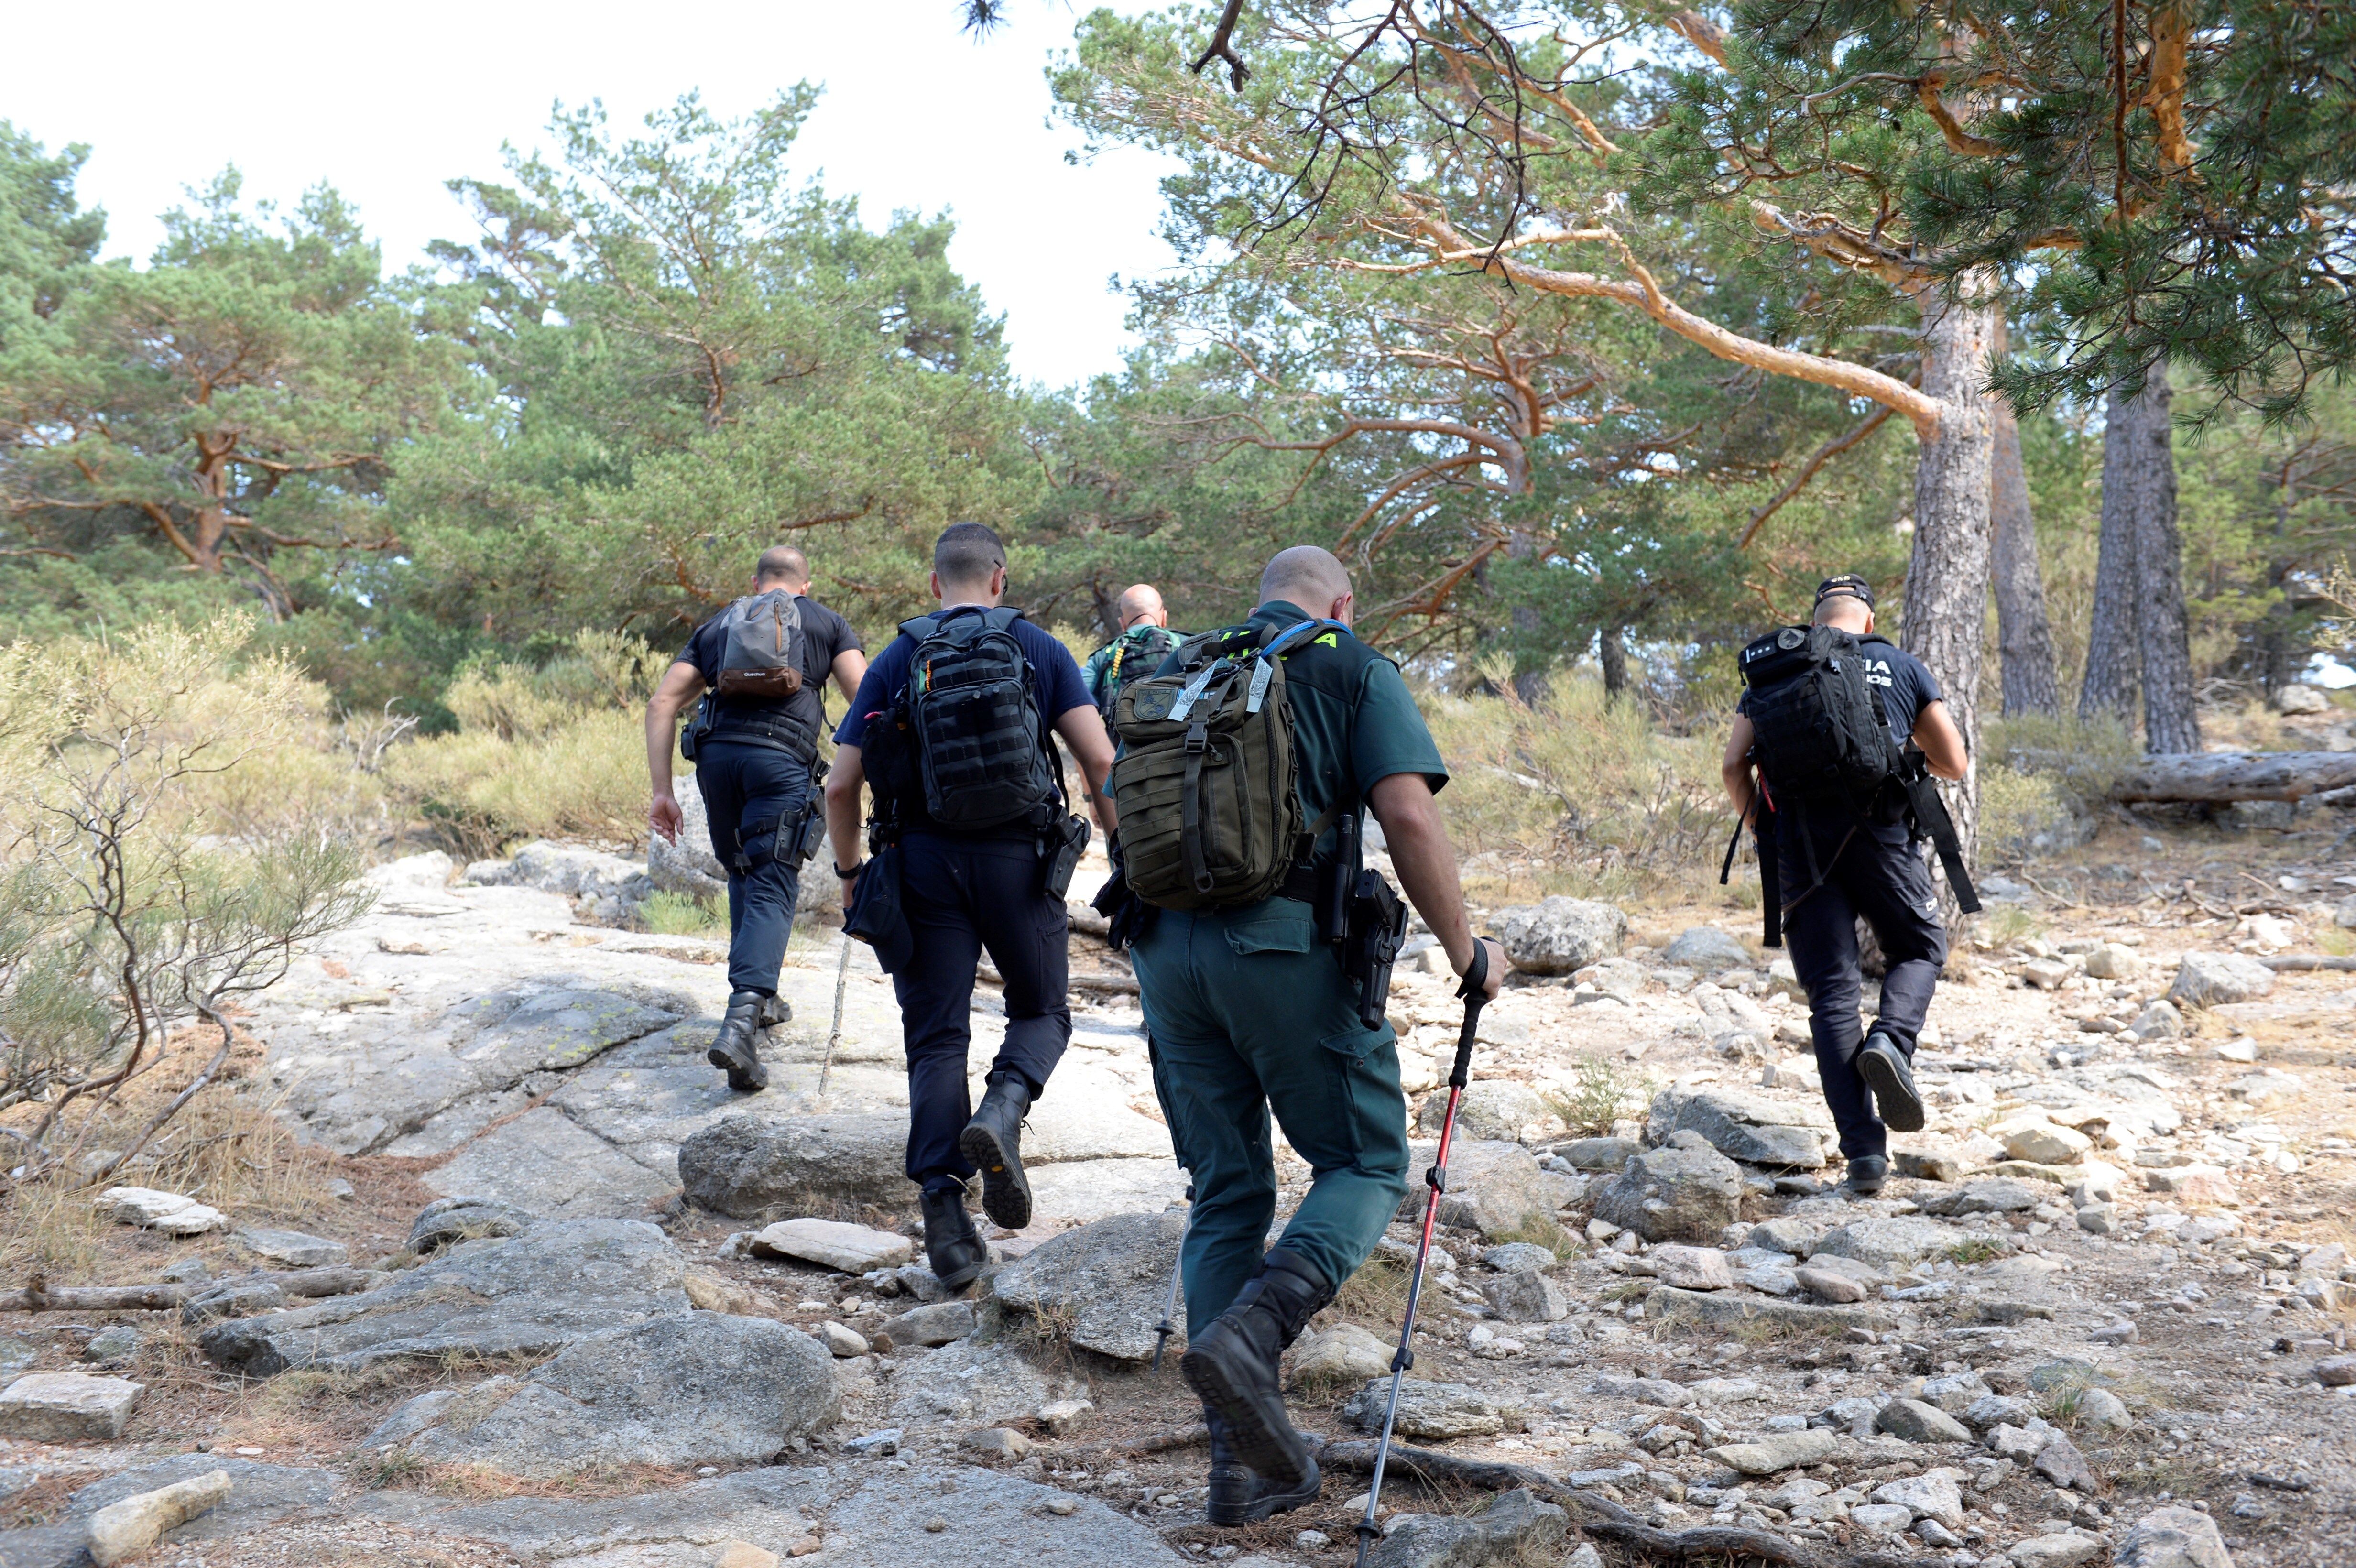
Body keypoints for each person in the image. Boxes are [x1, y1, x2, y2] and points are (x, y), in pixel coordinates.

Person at [1123, 545, 1505, 1527]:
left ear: (1258, 596)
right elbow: (1407, 816)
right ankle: (1257, 1332)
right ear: (1340, 600)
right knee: (1367, 1160)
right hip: (1280, 948)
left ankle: (1240, 1468)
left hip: (1164, 950)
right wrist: (1465, 951)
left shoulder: (1184, 666)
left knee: (1226, 1187)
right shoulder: (1347, 662)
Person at [823, 523, 1119, 1290]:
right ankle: (1005, 1105)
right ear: (1000, 579)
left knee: (936, 1036)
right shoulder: (1039, 648)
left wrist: (852, 871)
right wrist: (1125, 854)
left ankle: (946, 1222)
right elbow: (1099, 759)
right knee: (1043, 1011)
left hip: (922, 865)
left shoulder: (899, 657)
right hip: (1022, 863)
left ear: (934, 586)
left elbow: (839, 785)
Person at [1720, 574, 1968, 1198]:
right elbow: (1954, 764)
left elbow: (1732, 766)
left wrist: (1766, 829)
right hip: (1883, 837)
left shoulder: (1776, 672)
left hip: (1802, 851)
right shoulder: (1899, 664)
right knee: (1918, 950)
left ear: (1816, 618)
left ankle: (1864, 1157)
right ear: (1868, 617)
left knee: (1831, 997)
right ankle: (1891, 1039)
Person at [646, 545, 867, 1093]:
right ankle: (740, 1022)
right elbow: (865, 700)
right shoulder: (826, 622)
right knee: (772, 879)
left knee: (744, 868)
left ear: (756, 581)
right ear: (805, 585)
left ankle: (761, 998)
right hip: (780, 763)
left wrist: (659, 792)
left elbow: (661, 703)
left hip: (716, 764)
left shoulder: (721, 622)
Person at [1082, 583, 1183, 723]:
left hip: (1123, 742)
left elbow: (1081, 706)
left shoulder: (1102, 657)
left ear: (1122, 623)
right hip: (1183, 741)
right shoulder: (1189, 644)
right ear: (1164, 617)